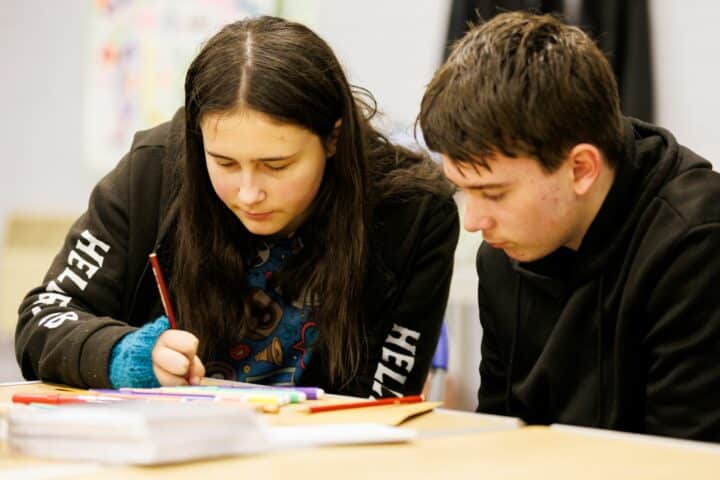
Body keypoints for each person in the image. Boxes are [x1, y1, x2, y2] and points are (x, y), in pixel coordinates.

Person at [15, 16, 459, 398]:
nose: (248, 193)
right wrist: (116, 355)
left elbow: (386, 403)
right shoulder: (151, 172)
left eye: (277, 165)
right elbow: (43, 317)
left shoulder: (414, 213)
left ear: (333, 138)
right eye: (225, 162)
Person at [418, 11, 720, 441]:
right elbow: (500, 436)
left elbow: (685, 460)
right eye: (463, 190)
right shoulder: (504, 253)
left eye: (495, 193)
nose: (474, 222)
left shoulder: (696, 242)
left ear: (580, 168)